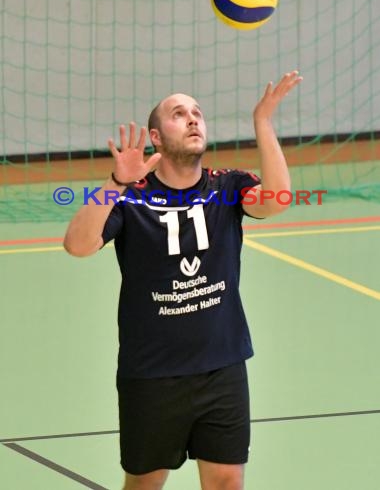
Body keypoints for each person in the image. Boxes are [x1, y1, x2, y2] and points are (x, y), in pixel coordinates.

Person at [63, 70, 302, 490]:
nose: (193, 119)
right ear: (156, 136)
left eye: (197, 113)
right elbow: (78, 245)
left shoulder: (227, 187)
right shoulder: (131, 196)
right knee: (145, 483)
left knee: (227, 481)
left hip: (222, 366)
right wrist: (115, 182)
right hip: (153, 373)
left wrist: (262, 122)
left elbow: (278, 200)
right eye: (179, 114)